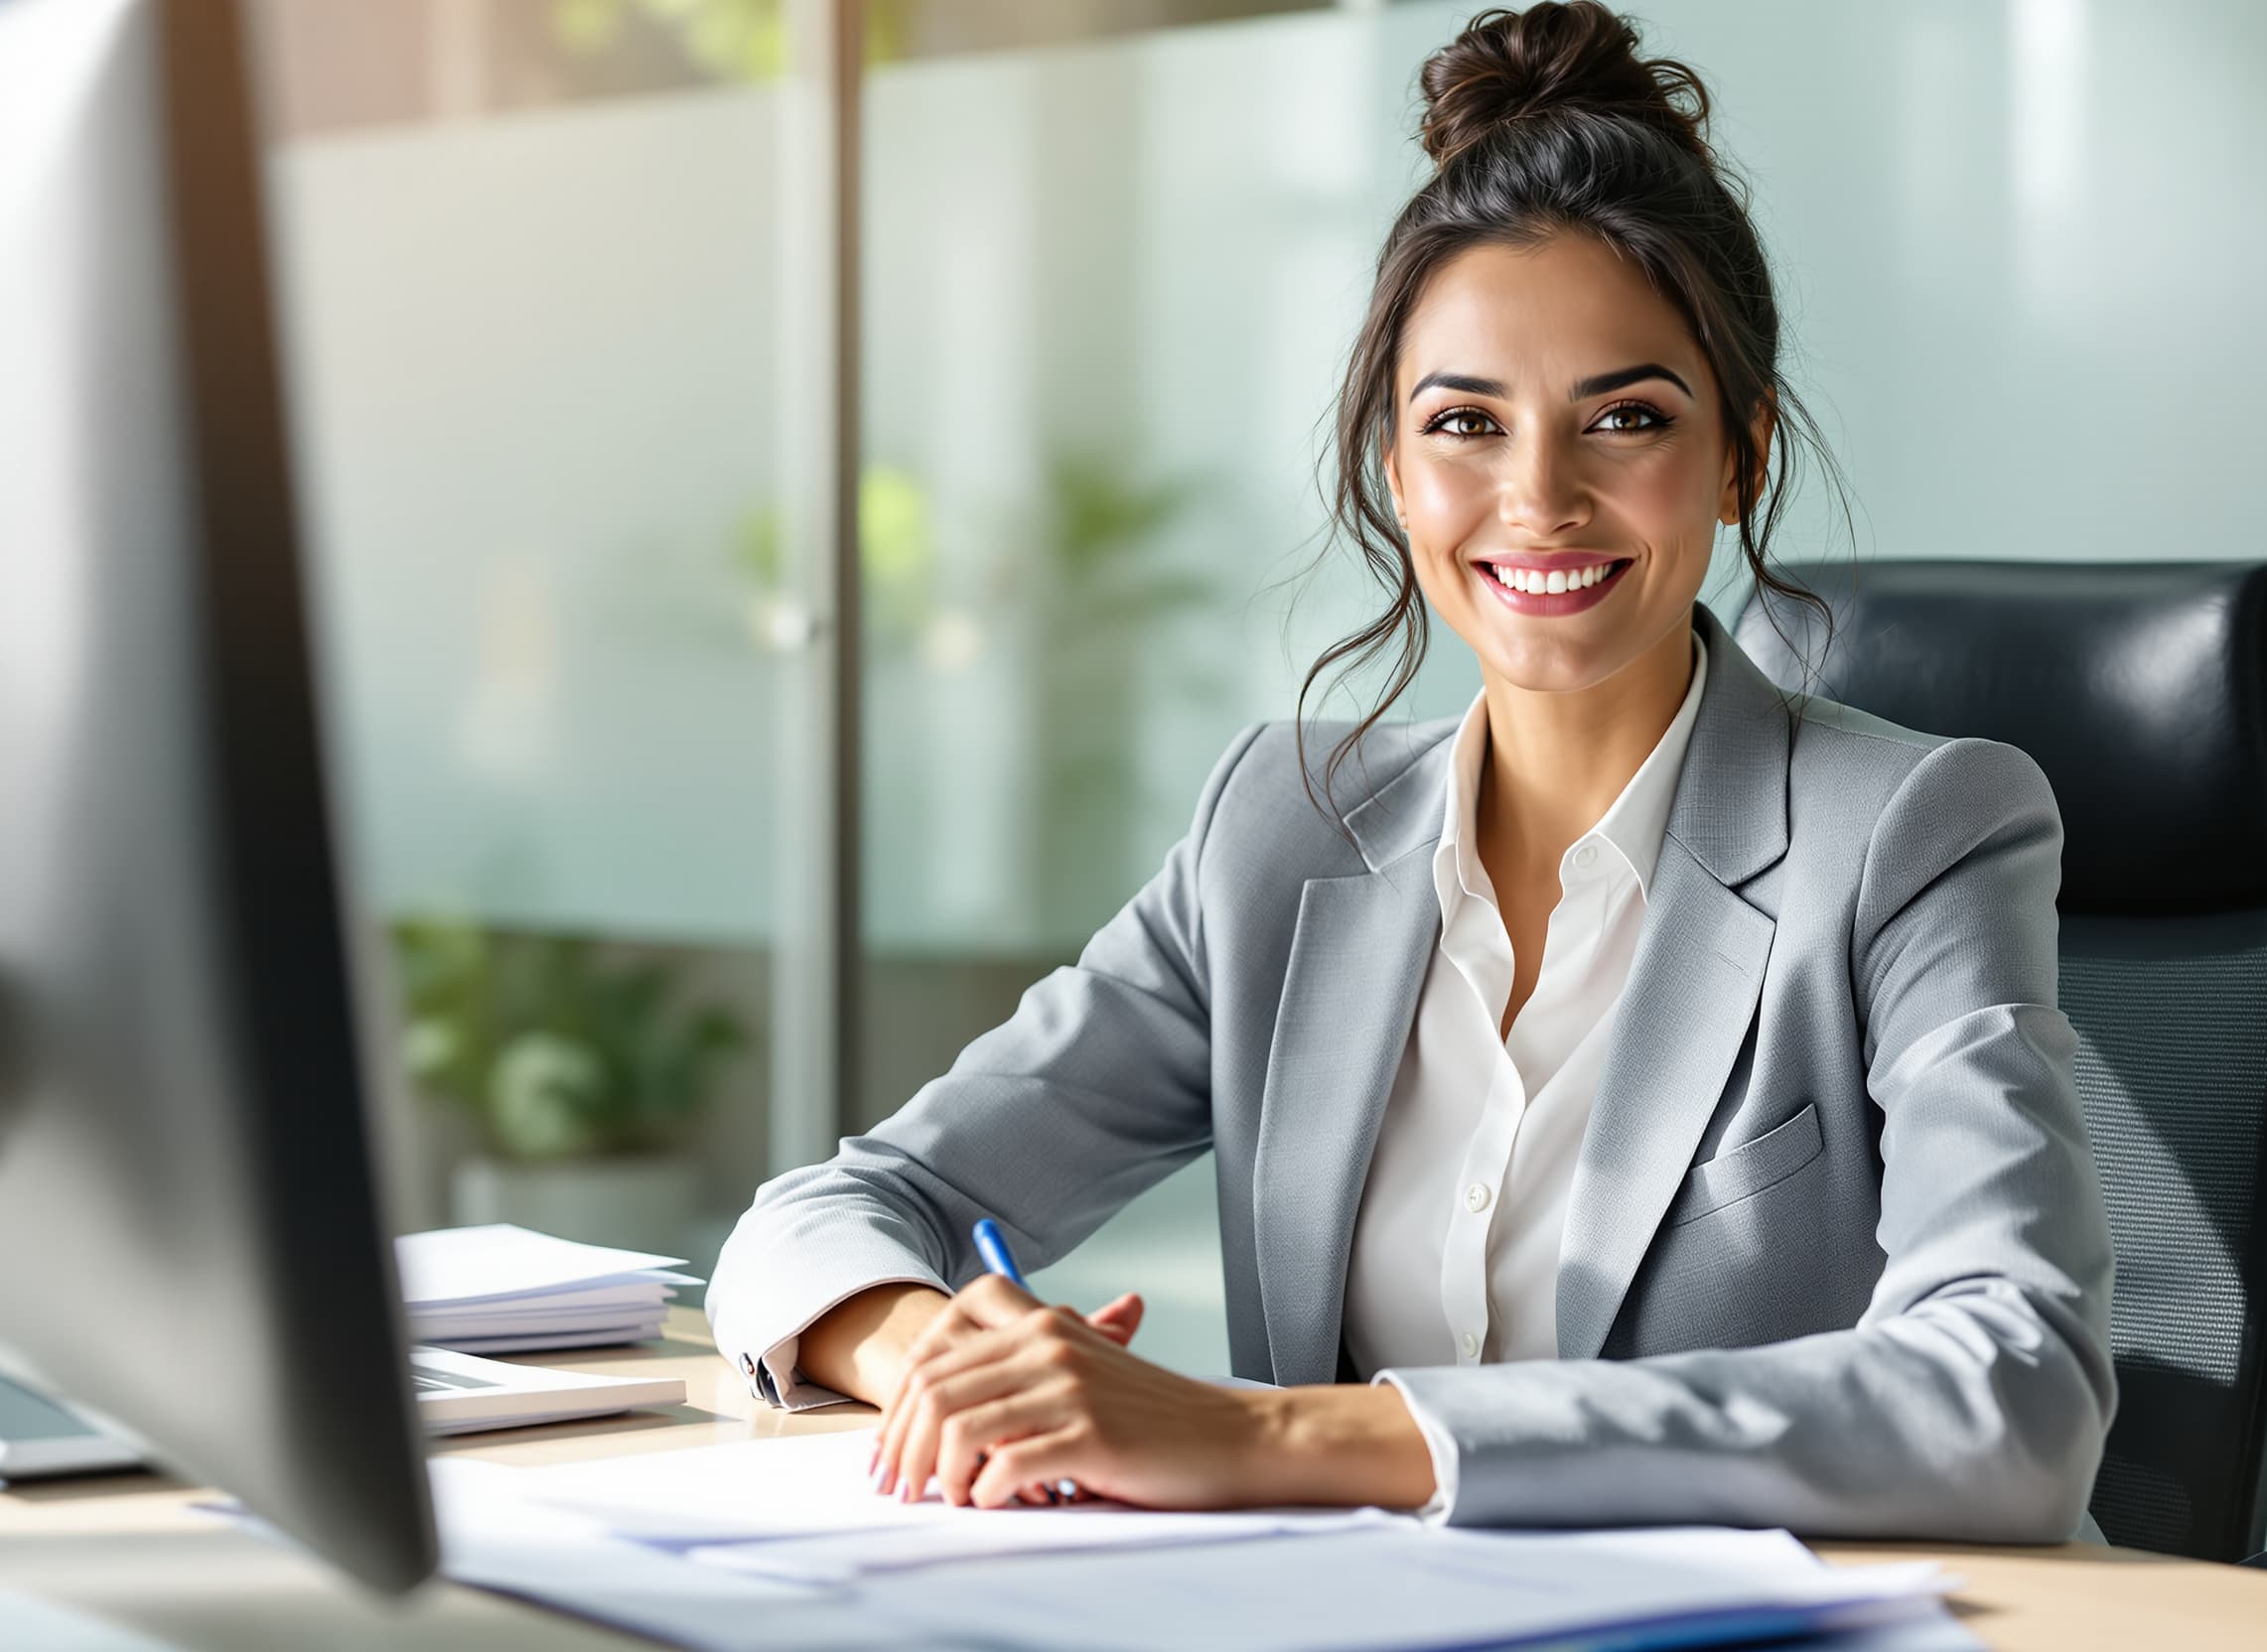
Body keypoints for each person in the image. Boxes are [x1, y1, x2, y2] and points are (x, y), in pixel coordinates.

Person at [707, 0, 2115, 1539]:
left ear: (1741, 454)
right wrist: (955, 1361)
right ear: (1394, 468)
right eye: (1465, 424)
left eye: (1627, 418)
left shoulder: (1913, 833)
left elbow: (2013, 1392)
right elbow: (821, 1220)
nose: (1541, 498)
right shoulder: (1282, 835)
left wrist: (1281, 1437)